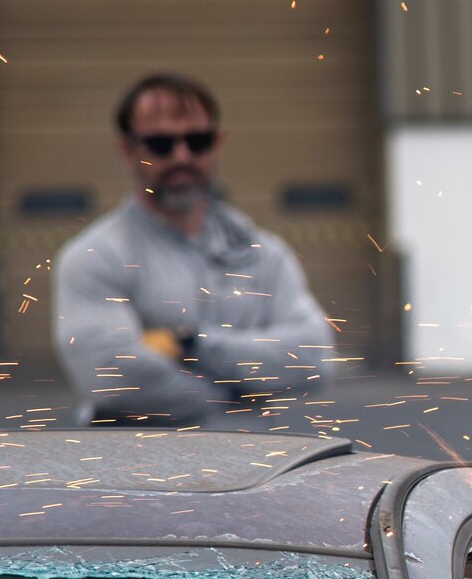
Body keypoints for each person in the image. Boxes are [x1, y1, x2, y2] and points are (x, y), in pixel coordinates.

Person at [53, 73, 334, 427]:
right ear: (127, 149)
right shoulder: (96, 256)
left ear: (218, 142)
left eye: (197, 141)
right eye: (161, 144)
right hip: (134, 475)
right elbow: (112, 376)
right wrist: (235, 401)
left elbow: (313, 358)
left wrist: (193, 345)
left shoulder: (259, 252)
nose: (182, 156)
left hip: (249, 472)